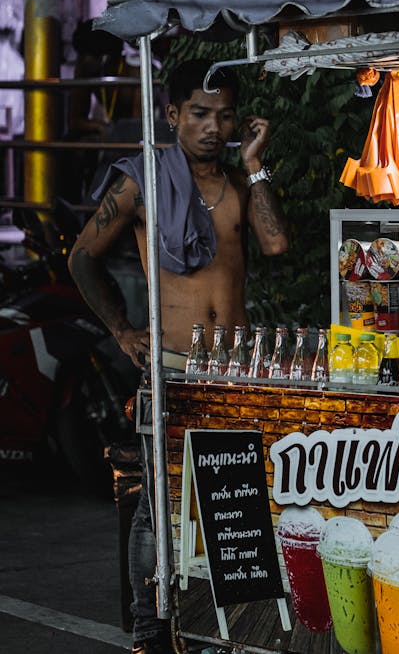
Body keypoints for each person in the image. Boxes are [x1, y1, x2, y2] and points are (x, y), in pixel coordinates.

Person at [68, 58, 288, 653]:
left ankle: (224, 629)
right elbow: (82, 257)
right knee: (159, 507)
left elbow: (275, 242)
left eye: (223, 116)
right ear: (173, 115)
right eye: (199, 114)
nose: (212, 127)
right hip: (171, 367)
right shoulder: (141, 180)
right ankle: (150, 629)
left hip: (235, 370)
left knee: (234, 498)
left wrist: (256, 165)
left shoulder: (241, 185)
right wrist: (121, 329)